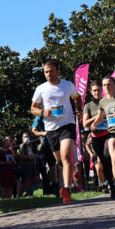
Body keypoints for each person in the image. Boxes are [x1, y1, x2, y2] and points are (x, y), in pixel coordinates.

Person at [31, 59, 83, 203]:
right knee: (59, 160)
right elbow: (33, 108)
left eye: (51, 71)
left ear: (57, 71)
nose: (48, 74)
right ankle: (74, 171)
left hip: (67, 124)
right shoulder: (40, 89)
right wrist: (43, 113)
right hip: (50, 129)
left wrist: (78, 109)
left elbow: (77, 98)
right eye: (46, 72)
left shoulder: (68, 85)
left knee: (66, 156)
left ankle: (66, 189)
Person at [83, 81, 115, 199]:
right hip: (96, 137)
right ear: (91, 92)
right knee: (102, 163)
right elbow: (85, 123)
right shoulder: (88, 106)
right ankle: (109, 184)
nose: (97, 92)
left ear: (102, 90)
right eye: (94, 90)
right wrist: (97, 117)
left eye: (99, 90)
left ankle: (114, 184)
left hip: (109, 133)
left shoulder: (107, 100)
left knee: (110, 158)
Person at [31, 115, 59, 196]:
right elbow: (33, 131)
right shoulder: (39, 116)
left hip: (56, 143)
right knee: (44, 170)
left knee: (54, 169)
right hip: (46, 146)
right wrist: (43, 133)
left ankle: (57, 189)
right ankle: (47, 190)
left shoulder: (55, 112)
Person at [19, 132, 38, 196]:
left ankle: (29, 191)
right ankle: (29, 194)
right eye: (25, 137)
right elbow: (22, 156)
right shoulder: (22, 146)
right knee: (28, 179)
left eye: (28, 136)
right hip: (25, 164)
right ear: (22, 139)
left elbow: (36, 154)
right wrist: (30, 156)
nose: (26, 138)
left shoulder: (32, 145)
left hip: (33, 163)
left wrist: (33, 155)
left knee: (36, 178)